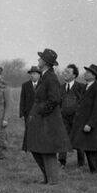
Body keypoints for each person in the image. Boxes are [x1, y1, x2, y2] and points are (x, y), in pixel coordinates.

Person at [23, 48, 69, 184]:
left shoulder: (51, 78)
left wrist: (41, 111)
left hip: (47, 120)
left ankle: (53, 181)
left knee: (47, 150)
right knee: (36, 148)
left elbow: (55, 99)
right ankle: (48, 179)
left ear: (45, 62)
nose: (38, 60)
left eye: (41, 58)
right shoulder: (45, 76)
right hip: (41, 119)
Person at [71, 63, 97, 173]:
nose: (85, 74)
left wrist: (90, 124)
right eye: (86, 72)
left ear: (94, 76)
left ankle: (96, 171)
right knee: (87, 147)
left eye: (88, 72)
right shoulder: (85, 87)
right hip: (83, 123)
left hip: (91, 125)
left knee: (93, 148)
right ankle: (94, 171)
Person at [58, 63, 86, 168]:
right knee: (63, 138)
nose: (65, 73)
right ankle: (62, 162)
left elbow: (84, 103)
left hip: (77, 119)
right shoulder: (60, 88)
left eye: (68, 72)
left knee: (79, 139)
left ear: (74, 75)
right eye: (65, 71)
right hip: (63, 118)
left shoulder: (81, 87)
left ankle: (81, 163)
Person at [19, 65, 41, 146]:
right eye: (31, 74)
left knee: (39, 130)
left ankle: (38, 146)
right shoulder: (25, 85)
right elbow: (22, 100)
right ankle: (29, 146)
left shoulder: (43, 84)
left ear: (39, 75)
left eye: (34, 74)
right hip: (28, 113)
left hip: (40, 112)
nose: (32, 75)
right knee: (29, 129)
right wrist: (21, 113)